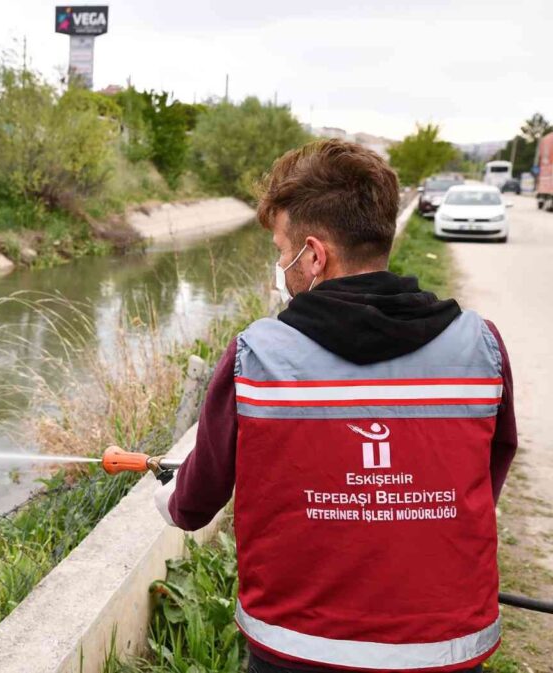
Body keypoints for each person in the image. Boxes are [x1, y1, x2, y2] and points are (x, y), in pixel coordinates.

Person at [154, 139, 517, 673]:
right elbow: (490, 468)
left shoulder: (258, 355)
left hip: (297, 647)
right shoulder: (480, 345)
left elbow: (197, 498)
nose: (280, 265)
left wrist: (169, 498)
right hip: (445, 648)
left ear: (314, 255)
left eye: (281, 250)